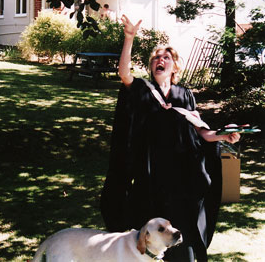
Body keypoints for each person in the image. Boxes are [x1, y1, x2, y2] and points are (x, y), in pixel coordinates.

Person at [101, 15, 240, 262]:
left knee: (181, 228)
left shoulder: (184, 95)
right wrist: (129, 38)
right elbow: (124, 73)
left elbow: (201, 131)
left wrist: (223, 136)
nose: (160, 60)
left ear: (175, 67)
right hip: (149, 175)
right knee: (147, 230)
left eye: (166, 58)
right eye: (156, 58)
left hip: (181, 177)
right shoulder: (142, 90)